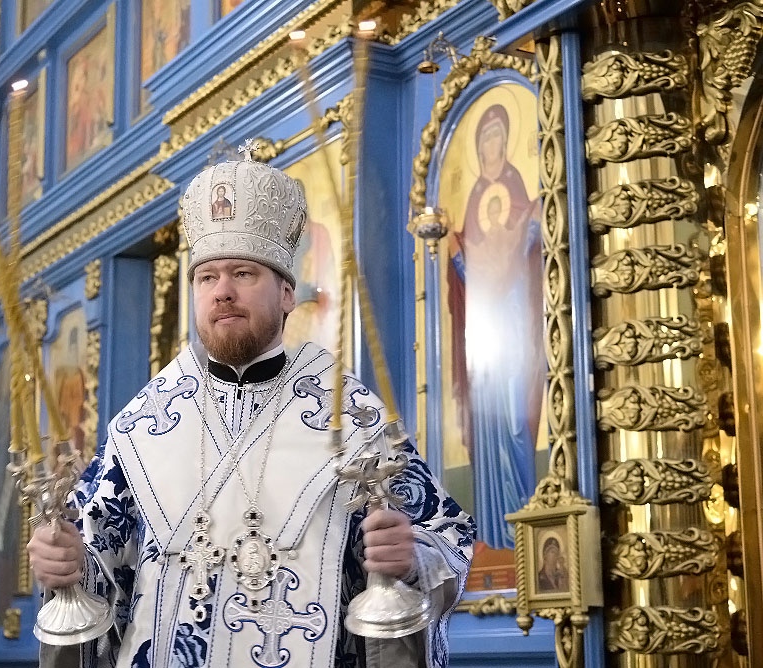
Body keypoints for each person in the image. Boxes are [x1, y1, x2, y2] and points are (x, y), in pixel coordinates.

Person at [28, 155, 476, 668]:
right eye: (207, 277)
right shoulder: (140, 426)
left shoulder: (353, 419)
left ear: (287, 294)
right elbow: (99, 566)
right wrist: (66, 564)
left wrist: (412, 559)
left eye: (243, 273)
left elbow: (445, 539)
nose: (223, 291)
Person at [447, 102, 544, 551]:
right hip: (483, 339)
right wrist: (456, 254)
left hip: (513, 323)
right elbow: (470, 274)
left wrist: (530, 228)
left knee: (515, 418)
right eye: (486, 136)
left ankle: (522, 519)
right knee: (486, 425)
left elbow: (523, 249)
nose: (494, 143)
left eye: (499, 135)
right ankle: (490, 531)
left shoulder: (516, 188)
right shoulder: (474, 199)